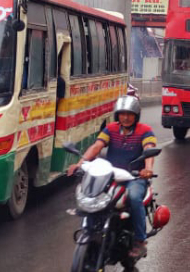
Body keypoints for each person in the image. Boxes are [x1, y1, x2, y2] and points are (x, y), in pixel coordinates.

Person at [67, 95, 156, 259]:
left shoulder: (145, 131)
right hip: (111, 175)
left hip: (134, 177)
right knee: (91, 194)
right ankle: (90, 229)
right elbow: (97, 147)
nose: (126, 117)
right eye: (122, 114)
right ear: (117, 115)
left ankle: (140, 241)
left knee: (134, 197)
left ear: (136, 116)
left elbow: (148, 149)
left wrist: (148, 169)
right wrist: (81, 163)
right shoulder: (111, 129)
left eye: (130, 114)